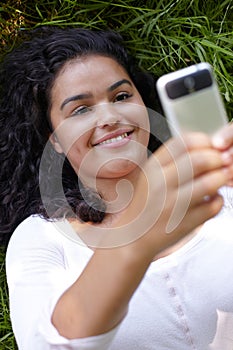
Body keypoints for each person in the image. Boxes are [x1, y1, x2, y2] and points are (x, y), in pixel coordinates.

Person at [1, 26, 233, 350]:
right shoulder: (41, 239)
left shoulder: (222, 186)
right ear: (54, 137)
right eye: (80, 109)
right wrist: (137, 236)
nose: (109, 116)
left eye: (122, 96)